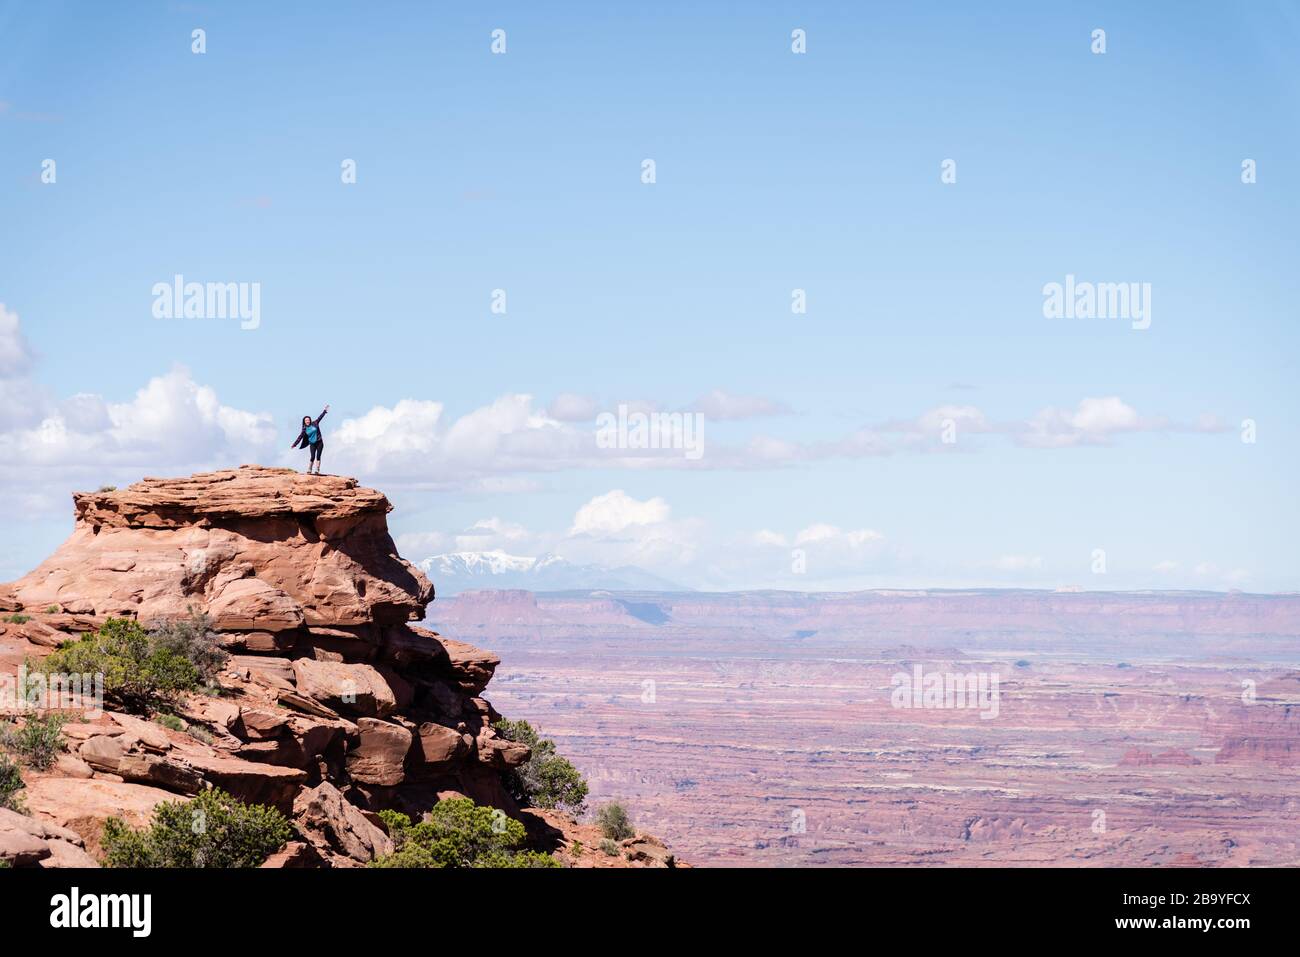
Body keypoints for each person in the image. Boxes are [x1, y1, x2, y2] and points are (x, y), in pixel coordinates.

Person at [291, 405, 329, 474]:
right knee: (312, 457)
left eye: (308, 420)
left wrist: (325, 411)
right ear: (304, 422)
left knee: (318, 456)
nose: (307, 421)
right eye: (306, 420)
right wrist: (294, 444)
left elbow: (320, 417)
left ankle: (317, 469)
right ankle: (309, 469)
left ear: (310, 420)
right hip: (312, 443)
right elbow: (300, 437)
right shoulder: (304, 429)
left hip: (319, 442)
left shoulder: (315, 423)